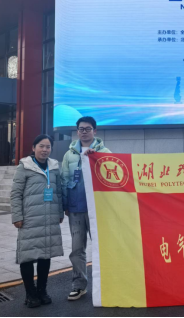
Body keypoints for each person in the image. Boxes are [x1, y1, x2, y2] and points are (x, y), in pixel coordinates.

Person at [11, 135, 65, 308]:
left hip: (49, 218)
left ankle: (42, 290)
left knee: (45, 255)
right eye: (41, 146)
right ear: (33, 148)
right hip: (30, 219)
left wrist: (60, 212)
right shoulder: (25, 166)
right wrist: (17, 216)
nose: (45, 150)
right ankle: (30, 293)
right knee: (27, 256)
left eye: (48, 147)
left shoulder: (54, 167)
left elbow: (58, 192)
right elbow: (16, 194)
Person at [61, 117, 111, 301]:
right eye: (81, 129)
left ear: (95, 131)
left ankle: (105, 284)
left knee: (102, 248)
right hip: (76, 209)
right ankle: (79, 285)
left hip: (98, 210)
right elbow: (64, 180)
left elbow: (111, 179)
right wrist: (65, 205)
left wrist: (95, 159)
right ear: (77, 131)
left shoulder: (104, 152)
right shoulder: (69, 155)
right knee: (76, 250)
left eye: (88, 129)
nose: (84, 132)